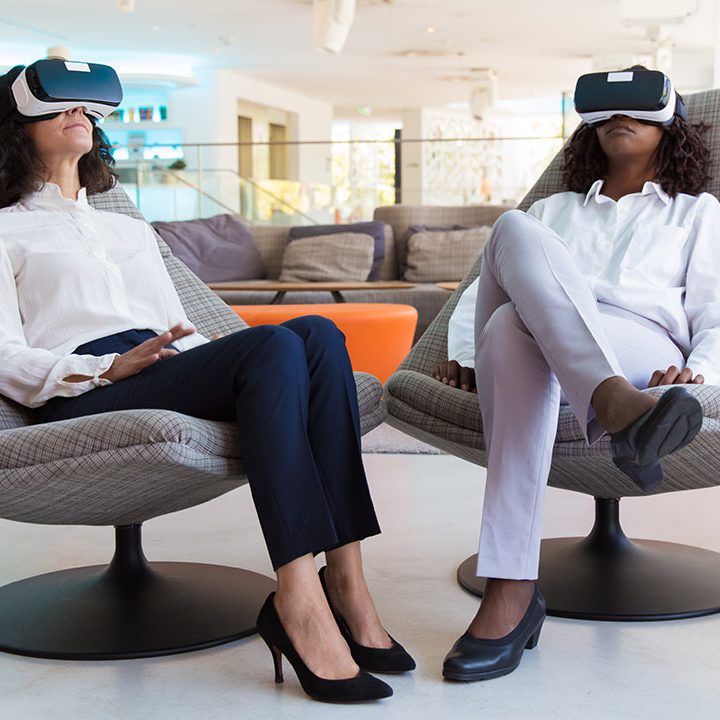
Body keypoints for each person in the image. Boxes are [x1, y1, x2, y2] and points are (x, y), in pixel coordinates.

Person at [0, 61, 414, 704]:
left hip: (159, 363)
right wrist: (104, 368)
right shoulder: (4, 227)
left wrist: (227, 366)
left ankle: (349, 583)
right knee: (277, 344)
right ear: (14, 125)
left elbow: (178, 328)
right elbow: (2, 351)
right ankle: (300, 602)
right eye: (57, 105)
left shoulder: (128, 228)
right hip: (81, 388)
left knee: (317, 337)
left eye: (88, 107)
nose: (77, 112)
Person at [432, 67, 717, 682]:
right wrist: (465, 353)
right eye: (609, 111)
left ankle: (509, 592)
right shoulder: (555, 210)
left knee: (511, 332)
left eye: (640, 110)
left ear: (672, 127)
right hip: (555, 346)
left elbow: (716, 313)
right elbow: (489, 288)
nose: (622, 118)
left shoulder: (697, 214)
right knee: (511, 254)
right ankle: (618, 412)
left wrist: (698, 372)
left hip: (640, 346)